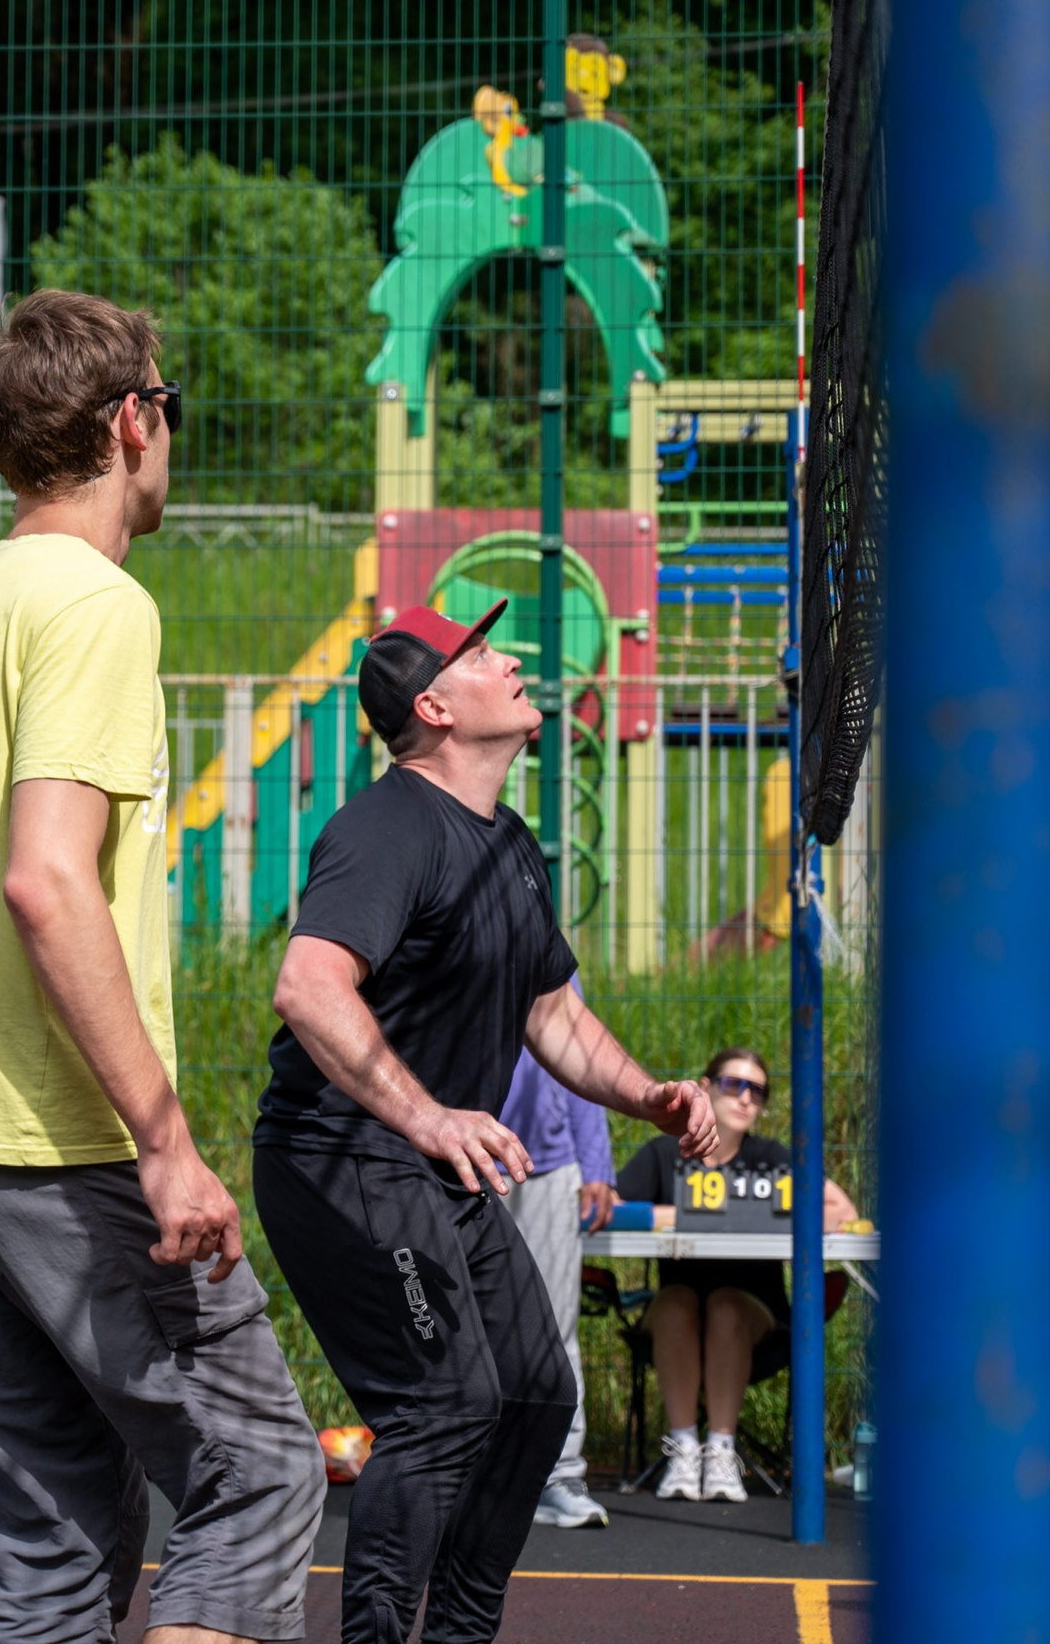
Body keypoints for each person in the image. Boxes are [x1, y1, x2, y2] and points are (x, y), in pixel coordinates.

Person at [0, 289, 325, 1644]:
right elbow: (46, 880)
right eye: (166, 407)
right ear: (131, 422)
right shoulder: (96, 607)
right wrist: (164, 1139)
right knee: (259, 1473)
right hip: (44, 1134)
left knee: (57, 1529)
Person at [256, 600, 718, 1644]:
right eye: (481, 652)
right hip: (345, 1165)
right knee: (442, 1403)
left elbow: (550, 1010)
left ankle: (456, 1633)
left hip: (436, 1168)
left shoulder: (507, 841)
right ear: (434, 705)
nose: (511, 659)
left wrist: (647, 1094)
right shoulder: (385, 829)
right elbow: (308, 985)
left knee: (534, 1396)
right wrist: (425, 1114)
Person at [611, 1047, 859, 1503]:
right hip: (677, 1311)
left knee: (725, 1303)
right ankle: (684, 1450)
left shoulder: (771, 1157)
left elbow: (841, 1209)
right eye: (734, 1084)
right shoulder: (663, 1154)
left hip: (757, 1317)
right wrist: (689, 1214)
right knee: (678, 1301)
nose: (746, 1098)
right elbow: (611, 1206)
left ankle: (722, 1454)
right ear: (704, 1089)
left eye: (758, 1092)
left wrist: (759, 1215)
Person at [497, 990, 617, 1529]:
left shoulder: (538, 928)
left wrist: (596, 1162)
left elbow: (576, 1042)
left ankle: (559, 1473)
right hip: (455, 1155)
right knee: (457, 1331)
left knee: (552, 1330)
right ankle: (465, 1476)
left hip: (548, 1166)